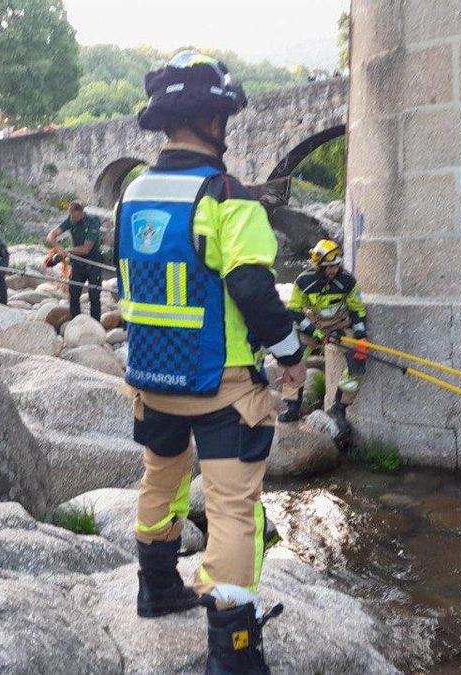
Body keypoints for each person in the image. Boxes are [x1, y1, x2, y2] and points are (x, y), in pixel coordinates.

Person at [119, 51, 307, 674]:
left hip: (152, 379)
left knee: (161, 482)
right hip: (222, 386)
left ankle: (155, 588)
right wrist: (291, 357)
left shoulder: (132, 195)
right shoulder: (227, 195)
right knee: (231, 509)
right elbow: (253, 290)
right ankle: (232, 651)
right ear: (212, 119)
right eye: (224, 115)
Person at [279, 239, 369, 424]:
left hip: (339, 327)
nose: (333, 270)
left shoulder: (348, 281)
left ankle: (339, 408)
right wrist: (314, 332)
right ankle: (293, 407)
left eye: (336, 265)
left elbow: (357, 310)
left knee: (358, 362)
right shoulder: (304, 281)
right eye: (328, 267)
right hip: (313, 327)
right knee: (292, 358)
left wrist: (360, 336)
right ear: (318, 265)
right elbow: (295, 310)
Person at [45, 202, 104, 320]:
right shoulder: (70, 220)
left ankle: (96, 324)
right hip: (77, 263)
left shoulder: (93, 222)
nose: (73, 220)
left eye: (76, 217)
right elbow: (51, 236)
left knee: (94, 296)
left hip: (93, 263)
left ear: (82, 213)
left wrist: (66, 251)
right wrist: (58, 248)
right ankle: (75, 321)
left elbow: (86, 249)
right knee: (74, 295)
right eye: (72, 217)